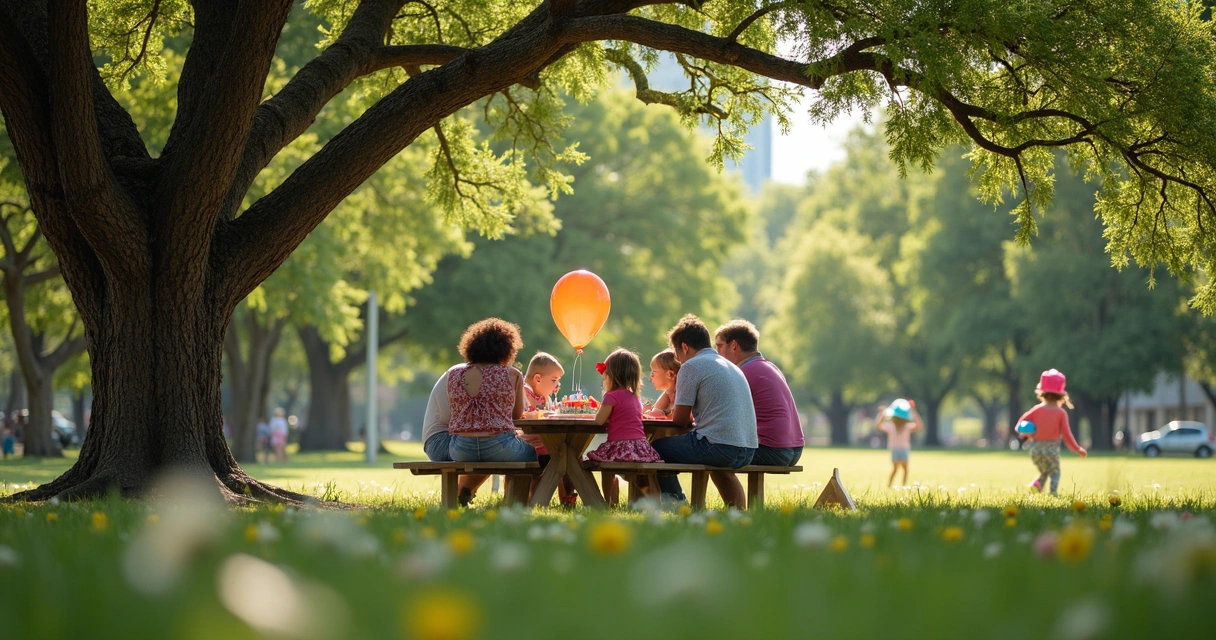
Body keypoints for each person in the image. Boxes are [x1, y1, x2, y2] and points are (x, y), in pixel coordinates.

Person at [652, 315, 757, 508]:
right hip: (748, 448)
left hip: (718, 447)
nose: (677, 359)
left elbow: (680, 420)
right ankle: (738, 512)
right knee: (718, 465)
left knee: (655, 448)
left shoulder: (691, 366)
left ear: (684, 347)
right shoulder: (731, 366)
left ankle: (675, 504)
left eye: (676, 353)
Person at [713, 320, 804, 466]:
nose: (717, 353)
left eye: (719, 346)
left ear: (734, 345)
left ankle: (673, 490)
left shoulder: (741, 373)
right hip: (795, 449)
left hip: (773, 450)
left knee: (713, 454)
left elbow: (718, 413)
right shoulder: (769, 367)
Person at [447, 318, 535, 464]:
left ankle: (467, 487)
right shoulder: (512, 374)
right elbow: (516, 416)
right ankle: (514, 488)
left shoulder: (454, 374)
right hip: (500, 447)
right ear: (507, 348)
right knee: (533, 452)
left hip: (460, 449)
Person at [421, 364, 490, 507]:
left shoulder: (484, 376)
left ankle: (464, 492)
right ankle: (462, 493)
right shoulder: (463, 374)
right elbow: (459, 420)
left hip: (454, 437)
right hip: (439, 440)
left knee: (497, 445)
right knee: (492, 447)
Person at [517, 352, 577, 507]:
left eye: (558, 381)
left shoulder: (545, 397)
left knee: (571, 454)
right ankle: (534, 501)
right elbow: (520, 417)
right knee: (560, 457)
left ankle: (567, 499)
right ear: (538, 379)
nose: (557, 386)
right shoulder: (522, 393)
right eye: (553, 380)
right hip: (526, 446)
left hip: (545, 446)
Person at [1018, 368, 1086, 494]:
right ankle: (1053, 493)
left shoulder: (1036, 409)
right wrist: (1078, 449)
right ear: (1061, 394)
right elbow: (1067, 435)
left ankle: (1036, 486)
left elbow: (1019, 425)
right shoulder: (1061, 413)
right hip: (1051, 450)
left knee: (1046, 471)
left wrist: (1029, 433)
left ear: (1042, 392)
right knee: (1055, 472)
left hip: (1035, 450)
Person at [874, 399, 922, 487]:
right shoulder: (891, 426)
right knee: (895, 468)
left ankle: (903, 485)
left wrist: (914, 411)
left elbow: (919, 426)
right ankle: (890, 485)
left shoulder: (907, 427)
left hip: (904, 449)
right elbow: (878, 425)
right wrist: (882, 414)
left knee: (905, 469)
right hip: (895, 449)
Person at [644, 349, 681, 419]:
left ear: (670, 374)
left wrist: (648, 412)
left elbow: (655, 414)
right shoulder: (670, 392)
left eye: (654, 371)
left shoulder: (679, 393)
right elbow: (656, 411)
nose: (651, 375)